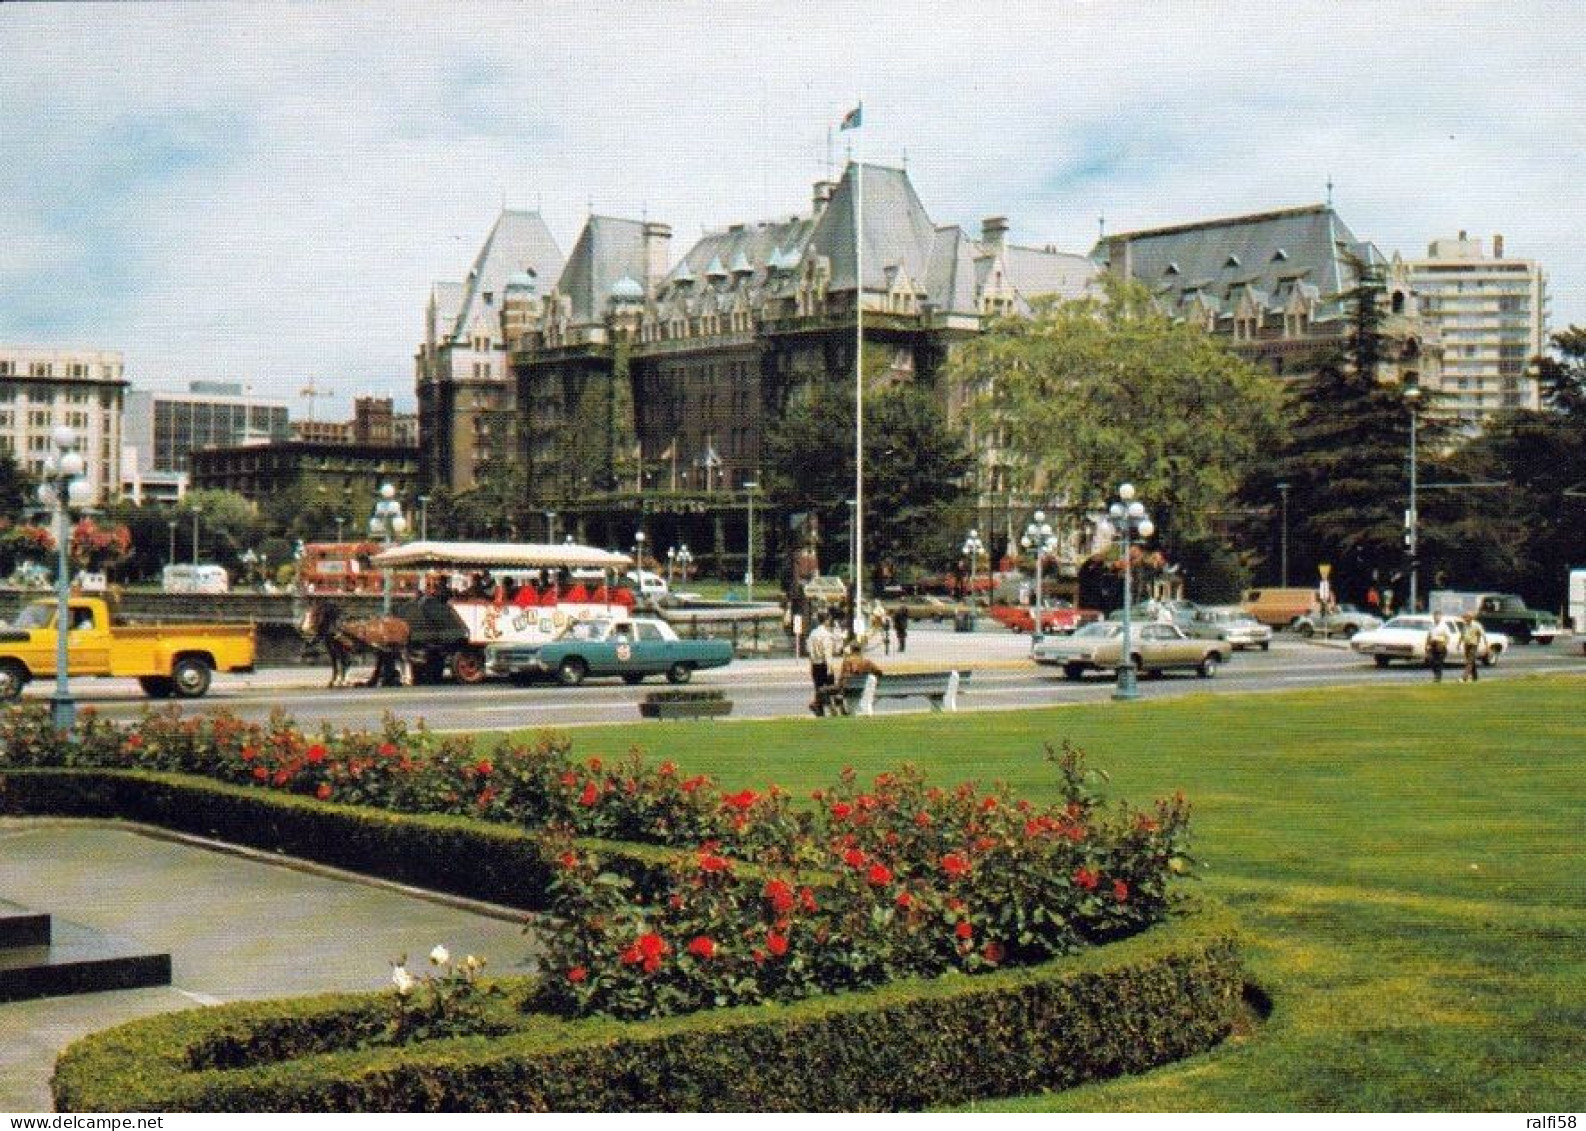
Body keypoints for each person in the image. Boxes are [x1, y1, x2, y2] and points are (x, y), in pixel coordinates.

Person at [806, 614, 838, 716]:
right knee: (830, 688)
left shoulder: (812, 634)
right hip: (824, 664)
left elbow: (810, 651)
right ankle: (831, 708)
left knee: (818, 687)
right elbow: (827, 652)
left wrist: (811, 665)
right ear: (826, 621)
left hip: (816, 664)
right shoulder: (826, 635)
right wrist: (830, 667)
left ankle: (819, 708)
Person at [1459, 613, 1488, 683]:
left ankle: (1464, 678)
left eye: (1466, 617)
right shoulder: (1465, 625)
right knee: (1471, 661)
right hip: (1466, 644)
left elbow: (1483, 634)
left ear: (1471, 618)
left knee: (1469, 661)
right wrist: (1459, 643)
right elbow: (1462, 635)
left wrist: (1486, 645)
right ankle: (1475, 677)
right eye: (1464, 617)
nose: (1465, 619)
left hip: (1473, 645)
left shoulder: (1476, 625)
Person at [1425, 612, 1453, 682]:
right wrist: (1427, 645)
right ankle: (1436, 676)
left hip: (1440, 645)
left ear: (1440, 617)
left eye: (1438, 616)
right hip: (1432, 644)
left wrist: (1444, 644)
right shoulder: (1431, 626)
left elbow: (1448, 637)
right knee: (1431, 661)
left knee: (1438, 662)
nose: (1436, 618)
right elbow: (1429, 636)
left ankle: (1438, 678)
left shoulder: (1444, 626)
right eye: (1435, 616)